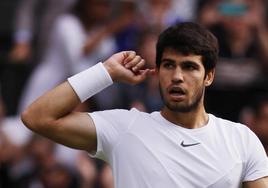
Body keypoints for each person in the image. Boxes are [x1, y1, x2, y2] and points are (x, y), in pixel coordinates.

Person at [21, 22, 268, 187]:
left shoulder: (242, 140)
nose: (177, 76)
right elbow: (36, 117)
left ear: (209, 76)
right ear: (158, 71)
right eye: (169, 65)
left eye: (190, 66)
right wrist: (106, 72)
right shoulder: (124, 128)